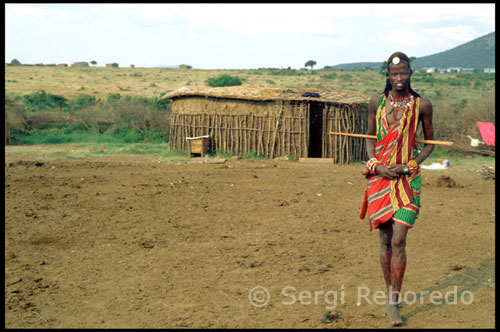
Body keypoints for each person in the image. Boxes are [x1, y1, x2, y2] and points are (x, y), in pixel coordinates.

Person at [364, 51, 434, 326]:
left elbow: (429, 143)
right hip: (380, 180)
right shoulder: (376, 103)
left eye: (404, 73)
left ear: (410, 74)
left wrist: (409, 165)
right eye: (394, 74)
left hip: (407, 181)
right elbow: (370, 138)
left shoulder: (422, 105)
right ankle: (390, 295)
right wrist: (375, 165)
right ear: (388, 76)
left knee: (399, 239)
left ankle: (394, 303)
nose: (399, 78)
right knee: (384, 240)